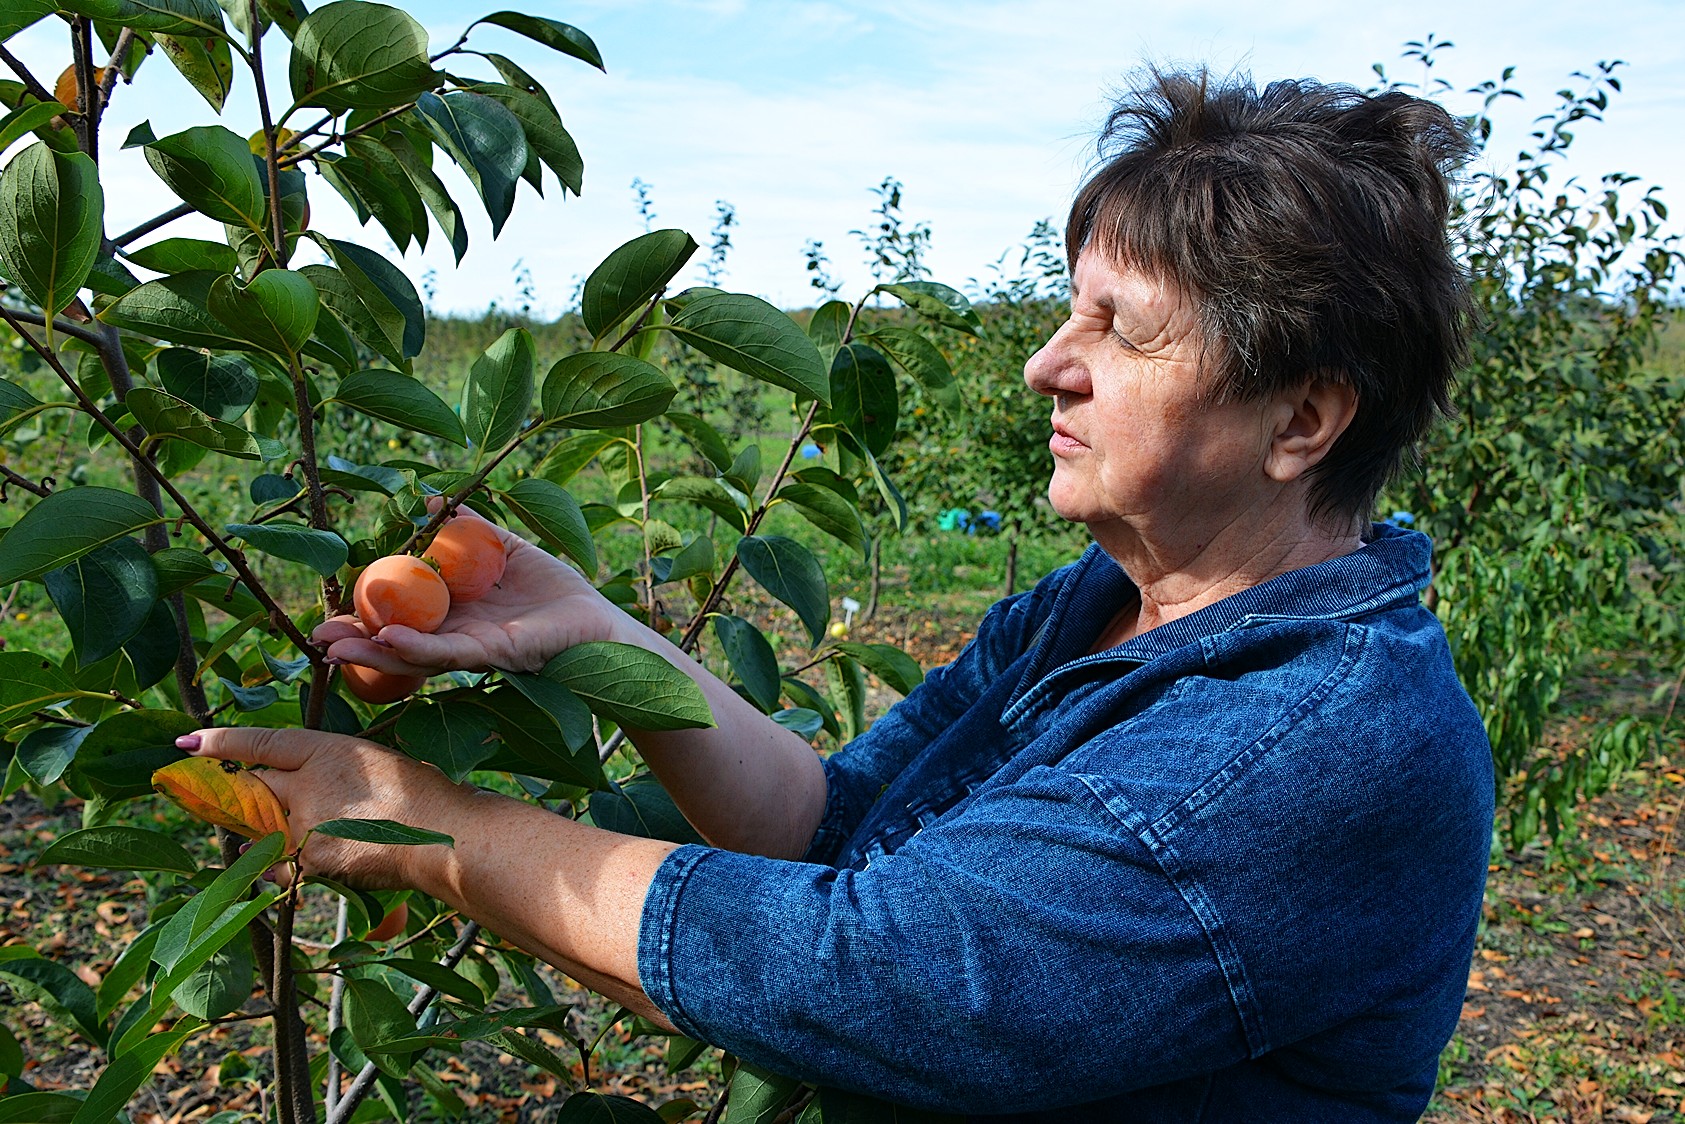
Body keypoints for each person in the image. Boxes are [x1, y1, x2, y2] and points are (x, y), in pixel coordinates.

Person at [181, 69, 1495, 1121]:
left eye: (1121, 329)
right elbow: (833, 823)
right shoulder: (1089, 606)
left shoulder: (1324, 742)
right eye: (1066, 312)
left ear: (1301, 419)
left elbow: (880, 976)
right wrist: (594, 628)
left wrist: (425, 823)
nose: (1047, 365)